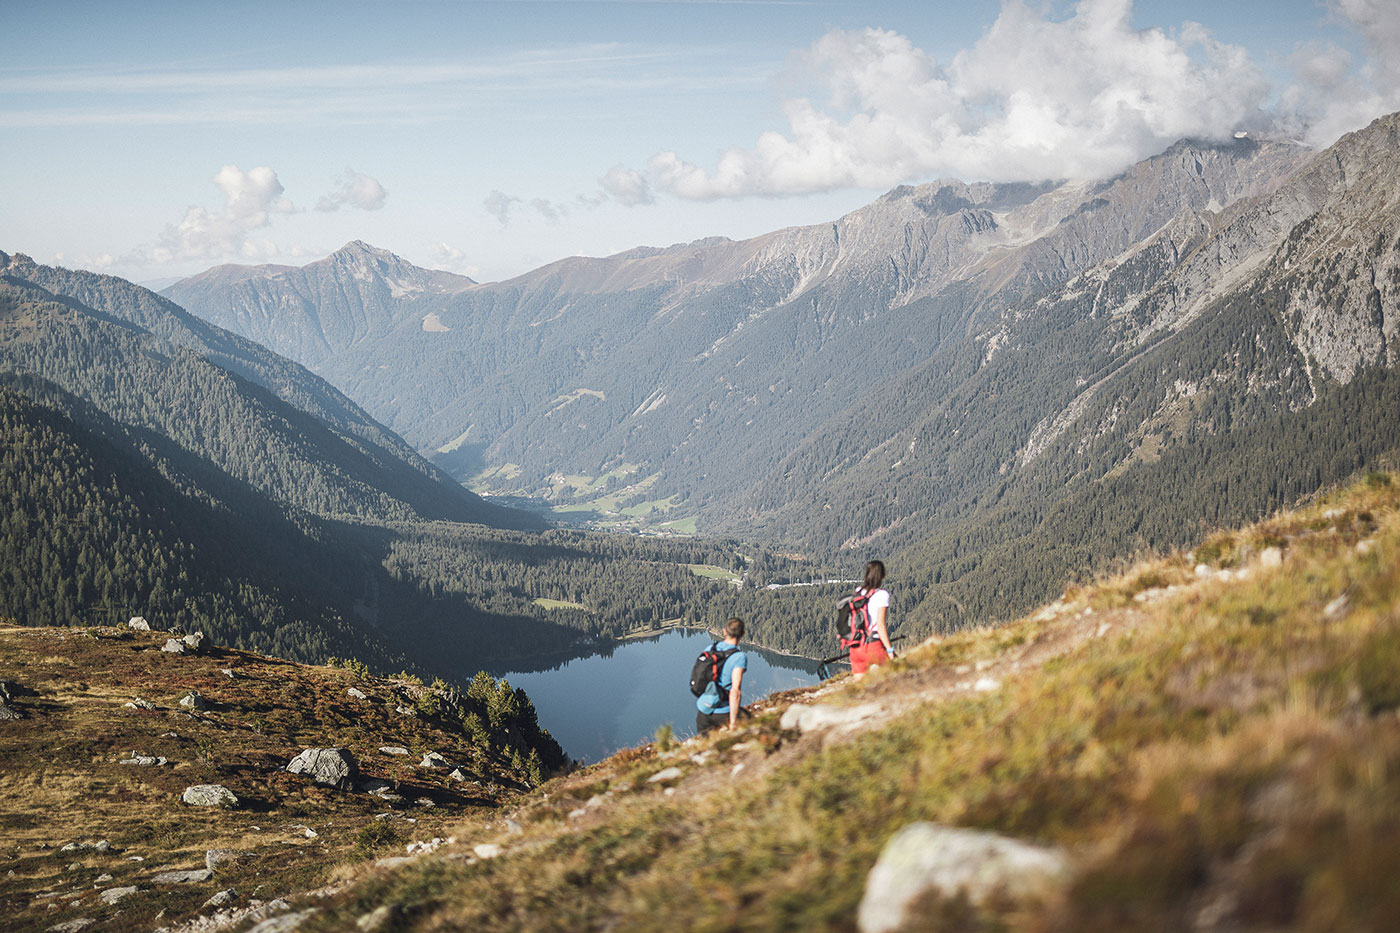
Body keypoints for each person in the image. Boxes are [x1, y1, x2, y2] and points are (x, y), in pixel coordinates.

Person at [696, 617, 747, 734]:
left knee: (706, 744)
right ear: (742, 634)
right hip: (723, 712)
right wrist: (733, 722)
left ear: (724, 631)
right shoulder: (739, 657)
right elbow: (735, 691)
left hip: (703, 710)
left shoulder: (710, 649)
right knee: (752, 726)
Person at [849, 560, 894, 678]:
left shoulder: (858, 591)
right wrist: (890, 651)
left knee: (860, 687)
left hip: (856, 648)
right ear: (882, 575)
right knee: (895, 675)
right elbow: (880, 626)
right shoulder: (882, 595)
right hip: (873, 645)